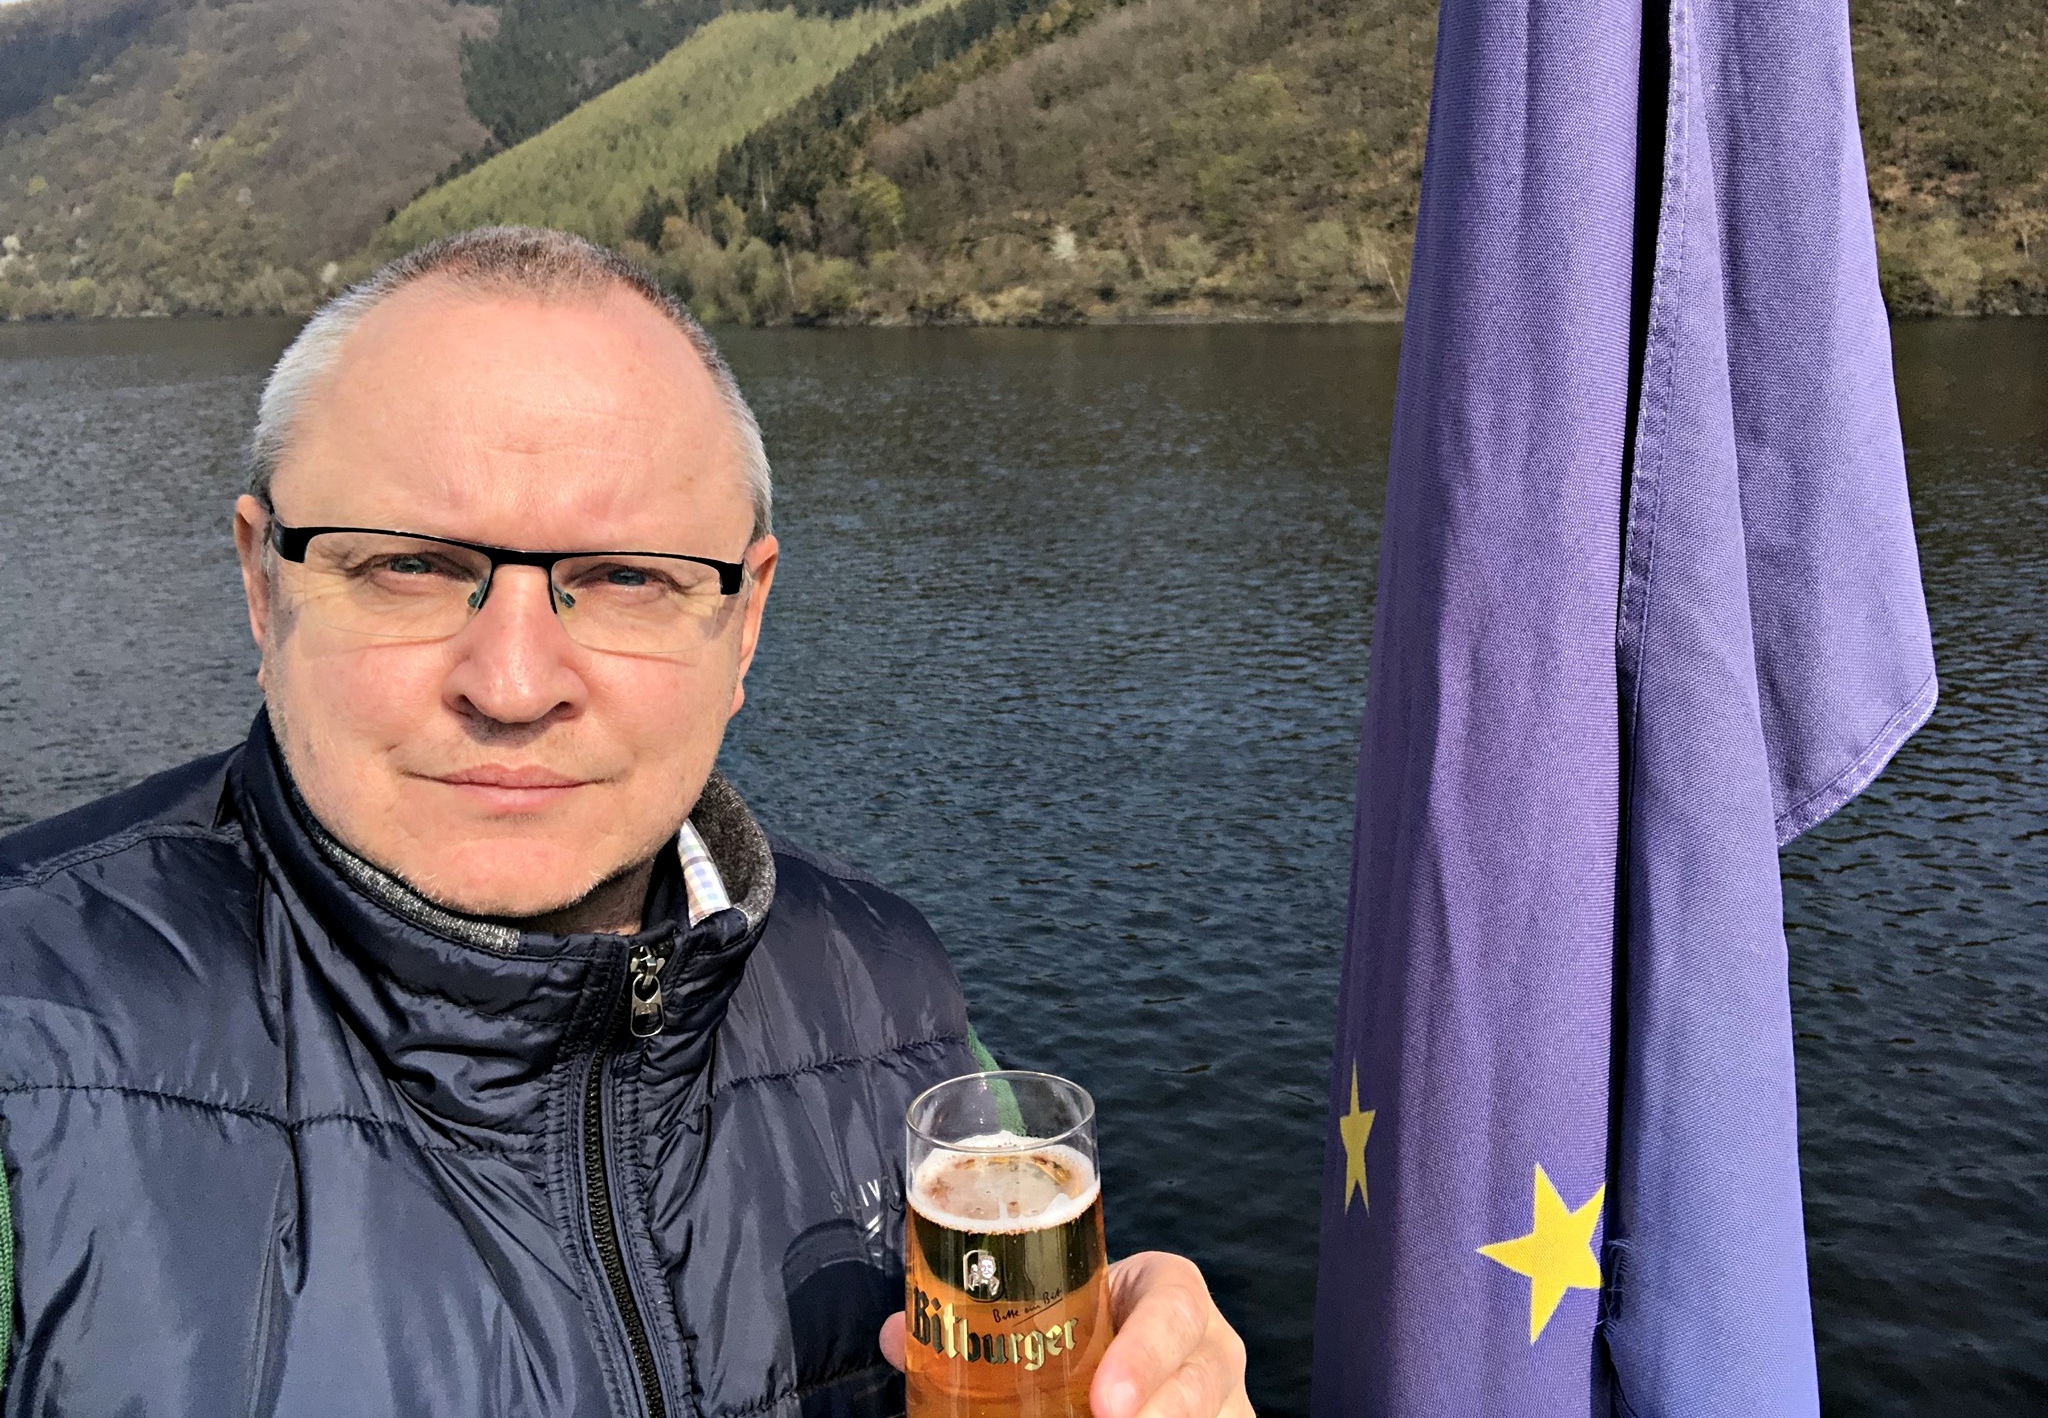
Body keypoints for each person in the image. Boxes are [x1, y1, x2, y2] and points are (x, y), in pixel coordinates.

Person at [0, 227, 1253, 1418]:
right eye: (409, 566)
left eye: (623, 577)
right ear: (261, 585)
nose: (512, 683)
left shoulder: (889, 993)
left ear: (744, 624)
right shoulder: (26, 1042)